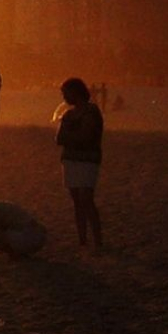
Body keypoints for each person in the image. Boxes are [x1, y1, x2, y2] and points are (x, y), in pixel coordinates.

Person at [57, 75, 105, 250]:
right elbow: (60, 138)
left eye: (65, 93)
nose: (64, 97)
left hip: (87, 160)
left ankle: (98, 240)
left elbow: (87, 136)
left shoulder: (91, 112)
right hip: (71, 160)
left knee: (86, 199)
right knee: (77, 201)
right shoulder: (69, 114)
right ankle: (83, 240)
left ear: (75, 92)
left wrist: (71, 137)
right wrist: (73, 137)